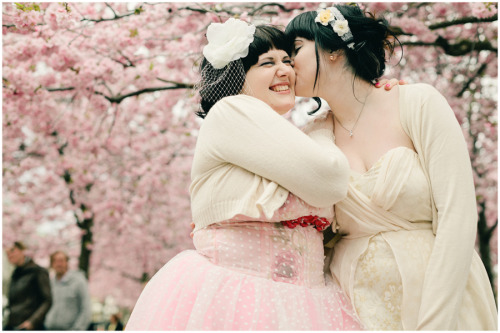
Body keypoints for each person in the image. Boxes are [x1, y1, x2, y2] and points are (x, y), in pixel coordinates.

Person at [125, 19, 364, 330]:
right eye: (268, 62)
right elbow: (329, 181)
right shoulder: (231, 110)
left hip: (303, 300)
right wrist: (321, 131)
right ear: (238, 75)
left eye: (287, 61)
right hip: (242, 296)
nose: (285, 71)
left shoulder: (273, 136)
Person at [285, 4, 498, 330]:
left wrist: (435, 323)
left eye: (295, 50)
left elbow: (458, 214)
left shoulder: (417, 103)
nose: (286, 64)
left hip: (441, 305)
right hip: (355, 309)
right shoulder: (310, 138)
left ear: (332, 49)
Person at [4, 241, 52, 330]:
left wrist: (32, 322)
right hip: (12, 325)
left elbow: (47, 300)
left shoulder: (38, 271)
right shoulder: (15, 274)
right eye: (7, 253)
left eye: (12, 251)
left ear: (22, 250)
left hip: (29, 327)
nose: (9, 255)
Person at [44, 250, 92, 330]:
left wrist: (78, 329)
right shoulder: (50, 283)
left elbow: (86, 308)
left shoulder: (78, 281)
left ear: (67, 263)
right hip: (50, 328)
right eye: (55, 261)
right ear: (52, 264)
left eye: (61, 261)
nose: (58, 264)